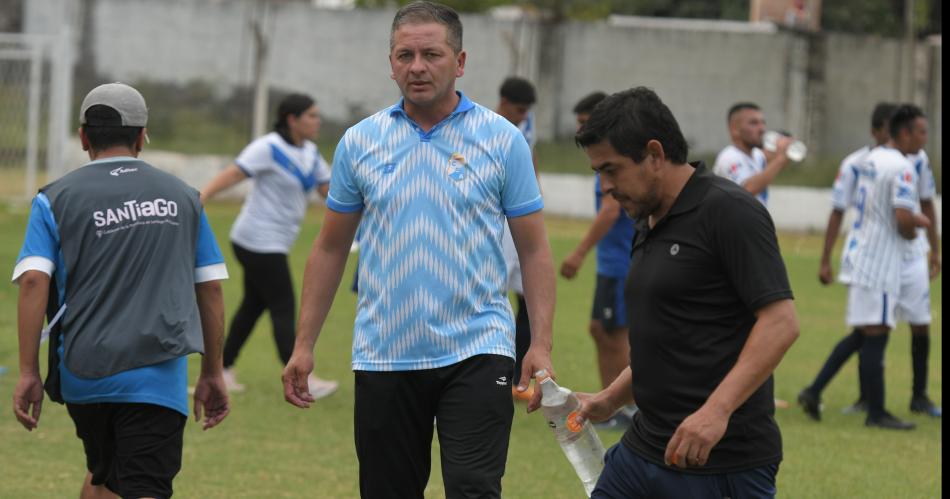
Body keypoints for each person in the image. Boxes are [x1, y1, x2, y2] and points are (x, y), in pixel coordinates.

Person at [281, 2, 556, 498]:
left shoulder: (502, 140)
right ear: (391, 63)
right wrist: (304, 344)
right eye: (405, 55)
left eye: (432, 54)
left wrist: (540, 343)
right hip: (385, 353)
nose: (417, 67)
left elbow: (534, 250)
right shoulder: (359, 142)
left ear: (460, 61)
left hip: (479, 348)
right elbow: (330, 249)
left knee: (474, 488)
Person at [573, 87, 799, 498]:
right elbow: (668, 339)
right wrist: (610, 399)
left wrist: (716, 412)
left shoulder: (729, 210)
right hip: (643, 450)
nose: (605, 186)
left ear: (654, 154)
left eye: (612, 170)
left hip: (720, 462)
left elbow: (781, 323)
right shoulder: (647, 221)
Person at [11, 82, 231, 499]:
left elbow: (35, 280)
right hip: (157, 378)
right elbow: (210, 288)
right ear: (142, 136)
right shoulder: (185, 198)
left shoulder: (53, 198)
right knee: (141, 485)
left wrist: (28, 372)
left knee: (105, 478)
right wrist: (212, 372)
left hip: (84, 376)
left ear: (83, 137)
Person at [799, 104, 937, 426]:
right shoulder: (902, 167)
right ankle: (876, 413)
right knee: (876, 333)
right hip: (880, 261)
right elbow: (903, 220)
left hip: (861, 253)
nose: (925, 138)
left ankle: (814, 391)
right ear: (905, 133)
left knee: (863, 333)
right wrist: (918, 223)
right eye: (922, 132)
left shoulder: (869, 160)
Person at [200, 93, 338, 398]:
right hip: (256, 240)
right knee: (283, 305)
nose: (318, 121)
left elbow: (328, 191)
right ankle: (301, 378)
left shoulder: (311, 153)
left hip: (276, 242)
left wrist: (365, 209)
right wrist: (202, 196)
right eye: (312, 115)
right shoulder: (268, 147)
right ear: (292, 119)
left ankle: (222, 369)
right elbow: (234, 173)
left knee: (252, 306)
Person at [559, 90, 638, 430]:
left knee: (615, 333)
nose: (580, 130)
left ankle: (627, 408)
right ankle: (616, 404)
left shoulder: (611, 164)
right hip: (612, 263)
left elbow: (609, 211)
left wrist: (578, 253)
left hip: (619, 263)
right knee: (600, 330)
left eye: (585, 122)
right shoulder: (607, 161)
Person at [494, 75, 540, 402]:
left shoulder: (525, 132)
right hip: (495, 227)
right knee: (493, 295)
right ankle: (494, 372)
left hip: (520, 227)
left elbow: (532, 171)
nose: (523, 116)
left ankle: (518, 379)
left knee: (526, 297)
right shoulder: (487, 131)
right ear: (504, 103)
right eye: (520, 110)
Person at [713, 102, 792, 206]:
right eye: (753, 123)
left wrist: (786, 150)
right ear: (734, 129)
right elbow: (745, 191)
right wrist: (780, 159)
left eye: (763, 123)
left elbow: (774, 166)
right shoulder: (729, 157)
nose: (762, 129)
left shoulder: (757, 154)